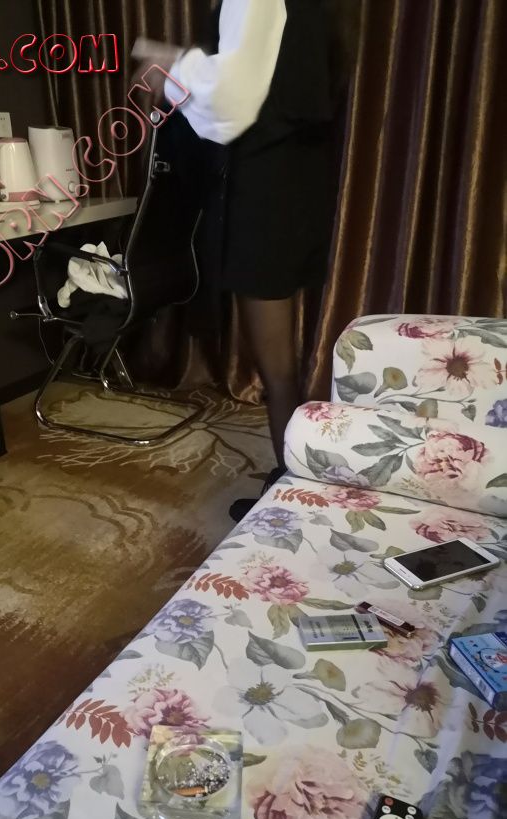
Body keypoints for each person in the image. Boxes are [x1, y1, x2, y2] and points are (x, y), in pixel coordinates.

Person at [135, 0, 358, 520]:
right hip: (296, 187)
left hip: (262, 192)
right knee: (280, 362)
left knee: (275, 366)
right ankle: (296, 477)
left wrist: (169, 67)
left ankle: (293, 493)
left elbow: (233, 98)